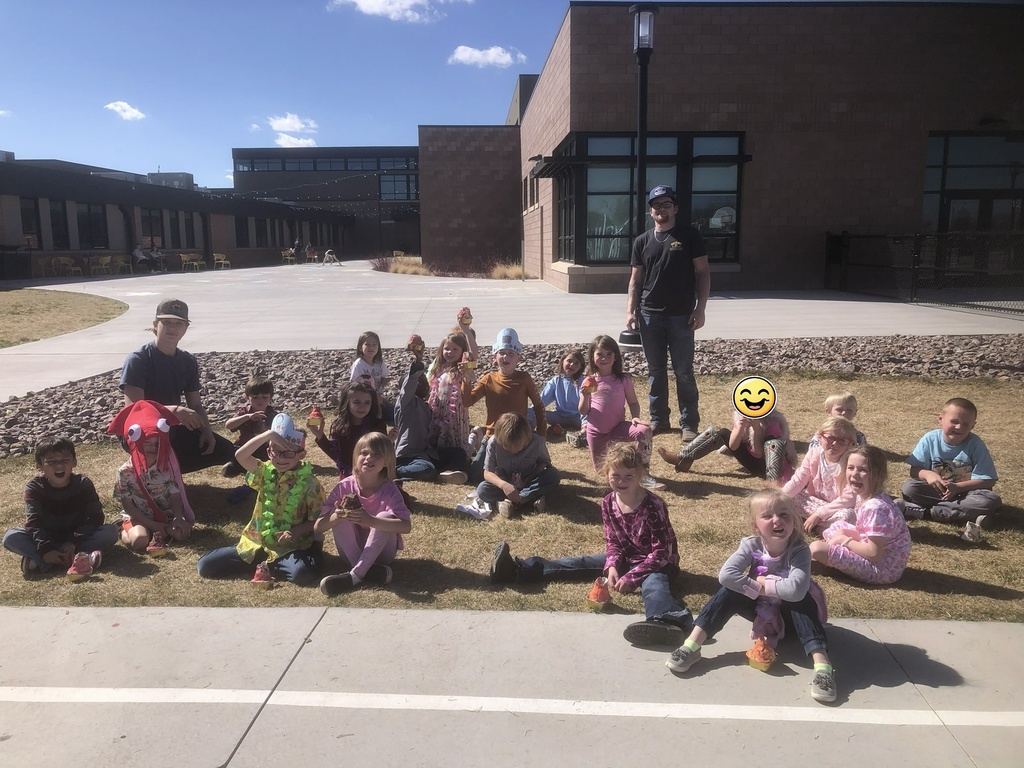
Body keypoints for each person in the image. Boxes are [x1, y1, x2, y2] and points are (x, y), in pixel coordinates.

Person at [490, 443, 692, 647]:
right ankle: (517, 570)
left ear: (640, 475)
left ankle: (665, 620)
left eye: (629, 476)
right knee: (581, 562)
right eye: (616, 476)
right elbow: (613, 541)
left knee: (654, 584)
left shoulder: (653, 506)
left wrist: (632, 577)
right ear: (606, 474)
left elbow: (661, 553)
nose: (621, 481)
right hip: (626, 557)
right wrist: (612, 565)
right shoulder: (607, 503)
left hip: (657, 564)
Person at [664, 489, 836, 704]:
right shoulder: (751, 544)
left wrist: (762, 584)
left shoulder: (799, 550)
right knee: (730, 590)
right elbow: (726, 576)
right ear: (756, 526)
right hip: (762, 610)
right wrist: (758, 587)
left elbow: (795, 590)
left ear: (793, 520)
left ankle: (823, 667)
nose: (777, 520)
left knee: (799, 599)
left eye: (784, 515)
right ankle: (691, 646)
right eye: (767, 516)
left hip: (794, 618)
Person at [197, 414, 325, 586]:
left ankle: (277, 563)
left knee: (302, 575)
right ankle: (265, 563)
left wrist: (295, 532)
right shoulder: (264, 472)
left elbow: (318, 520)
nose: (280, 458)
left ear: (301, 455)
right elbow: (240, 455)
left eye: (288, 453)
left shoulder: (310, 483)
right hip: (257, 542)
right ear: (268, 452)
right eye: (275, 451)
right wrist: (268, 435)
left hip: (290, 547)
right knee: (205, 566)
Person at [626, 185, 710, 440]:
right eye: (656, 205)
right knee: (655, 371)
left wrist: (700, 308)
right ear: (650, 211)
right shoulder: (642, 241)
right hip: (649, 315)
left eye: (666, 204)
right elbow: (635, 280)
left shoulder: (690, 235)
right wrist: (631, 311)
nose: (661, 209)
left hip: (682, 316)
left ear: (675, 208)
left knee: (683, 371)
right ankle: (658, 419)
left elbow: (703, 273)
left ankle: (689, 424)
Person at [119, 298, 236, 473]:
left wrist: (207, 431)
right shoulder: (138, 360)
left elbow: (195, 404)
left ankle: (168, 469)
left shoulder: (187, 361)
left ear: (185, 329)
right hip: (142, 433)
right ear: (155, 324)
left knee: (228, 451)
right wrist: (174, 410)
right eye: (166, 322)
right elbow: (135, 410)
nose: (172, 328)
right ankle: (156, 470)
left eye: (178, 323)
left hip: (171, 429)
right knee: (162, 460)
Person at [3, 437, 118, 579]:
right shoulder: (34, 488)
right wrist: (46, 549)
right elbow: (33, 522)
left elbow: (96, 517)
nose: (59, 466)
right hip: (47, 537)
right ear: (39, 465)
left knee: (110, 532)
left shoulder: (83, 484)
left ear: (74, 462)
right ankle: (76, 558)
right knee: (11, 537)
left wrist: (73, 541)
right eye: (51, 462)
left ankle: (39, 561)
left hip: (77, 537)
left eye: (65, 461)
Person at [316, 432, 411, 595]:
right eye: (364, 453)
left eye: (376, 454)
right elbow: (318, 527)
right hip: (351, 552)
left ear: (387, 461)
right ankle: (367, 570)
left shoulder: (389, 490)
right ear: (355, 457)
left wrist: (371, 520)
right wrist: (337, 516)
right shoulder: (344, 487)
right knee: (339, 513)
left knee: (384, 517)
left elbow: (405, 526)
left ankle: (355, 575)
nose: (369, 458)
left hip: (382, 554)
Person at [897, 397, 1001, 535]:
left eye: (965, 424)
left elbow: (988, 480)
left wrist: (957, 488)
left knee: (990, 501)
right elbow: (915, 471)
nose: (959, 427)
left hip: (967, 494)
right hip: (938, 492)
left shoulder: (975, 444)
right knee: (910, 488)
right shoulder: (930, 439)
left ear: (973, 426)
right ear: (940, 419)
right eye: (954, 421)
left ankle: (924, 512)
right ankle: (968, 515)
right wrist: (929, 475)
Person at [809, 445, 911, 585]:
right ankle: (834, 557)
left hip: (882, 569)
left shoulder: (875, 507)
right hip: (875, 551)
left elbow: (874, 554)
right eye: (850, 468)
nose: (854, 474)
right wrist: (843, 536)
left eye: (863, 470)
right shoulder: (865, 496)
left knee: (816, 548)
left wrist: (844, 540)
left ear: (878, 475)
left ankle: (832, 564)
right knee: (839, 526)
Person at [108, 400, 195, 557]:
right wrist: (152, 525)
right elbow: (128, 506)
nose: (152, 448)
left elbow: (174, 494)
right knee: (139, 541)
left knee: (182, 534)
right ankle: (123, 529)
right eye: (146, 442)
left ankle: (162, 532)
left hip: (165, 515)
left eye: (157, 443)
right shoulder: (125, 472)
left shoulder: (166, 466)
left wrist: (178, 517)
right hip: (139, 517)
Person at [462, 327, 546, 481]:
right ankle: (479, 438)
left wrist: (541, 436)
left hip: (519, 436)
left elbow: (539, 407)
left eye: (511, 354)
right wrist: (466, 381)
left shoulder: (524, 379)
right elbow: (467, 401)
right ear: (495, 356)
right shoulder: (488, 379)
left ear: (518, 358)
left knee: (527, 473)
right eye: (502, 353)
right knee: (474, 476)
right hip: (493, 436)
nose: (506, 357)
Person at [579, 335, 661, 490]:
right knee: (603, 471)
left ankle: (643, 473)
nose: (604, 358)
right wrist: (584, 395)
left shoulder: (623, 380)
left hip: (617, 428)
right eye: (600, 354)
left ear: (615, 356)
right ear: (592, 357)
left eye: (609, 354)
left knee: (645, 431)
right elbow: (583, 410)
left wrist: (635, 416)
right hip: (596, 433)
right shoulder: (590, 381)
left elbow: (633, 402)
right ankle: (627, 469)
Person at [658, 403, 797, 483]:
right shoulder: (741, 416)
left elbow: (761, 453)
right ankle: (684, 458)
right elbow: (733, 445)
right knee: (724, 432)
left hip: (768, 466)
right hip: (754, 459)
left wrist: (756, 429)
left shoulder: (773, 423)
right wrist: (740, 427)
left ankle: (773, 482)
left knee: (772, 443)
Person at [460, 412, 560, 519]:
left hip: (529, 481)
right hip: (504, 483)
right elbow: (487, 473)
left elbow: (543, 463)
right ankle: (530, 499)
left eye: (517, 446)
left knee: (552, 475)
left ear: (526, 439)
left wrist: (529, 478)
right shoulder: (493, 442)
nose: (512, 449)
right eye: (507, 445)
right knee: (482, 489)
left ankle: (516, 500)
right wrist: (504, 485)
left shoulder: (537, 442)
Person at [782, 416, 859, 535]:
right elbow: (798, 481)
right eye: (830, 438)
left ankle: (814, 527)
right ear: (820, 436)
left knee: (848, 516)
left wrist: (818, 515)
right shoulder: (814, 453)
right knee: (790, 497)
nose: (834, 443)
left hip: (838, 508)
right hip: (816, 501)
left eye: (842, 441)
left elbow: (849, 499)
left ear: (849, 444)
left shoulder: (850, 462)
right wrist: (778, 499)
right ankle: (815, 526)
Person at [394, 359, 468, 483]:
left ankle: (447, 474)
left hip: (427, 453)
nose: (423, 384)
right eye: (418, 382)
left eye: (423, 381)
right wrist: (416, 370)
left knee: (459, 453)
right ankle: (394, 471)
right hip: (409, 456)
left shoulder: (426, 405)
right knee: (426, 469)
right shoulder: (405, 404)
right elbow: (407, 389)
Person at [312, 380, 387, 478]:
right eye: (357, 402)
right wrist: (320, 436)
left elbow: (383, 455)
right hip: (348, 475)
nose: (362, 407)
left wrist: (389, 440)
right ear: (347, 403)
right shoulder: (339, 426)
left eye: (367, 403)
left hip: (373, 475)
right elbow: (337, 456)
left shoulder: (377, 425)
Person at [426, 328, 476, 455]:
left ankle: (474, 437)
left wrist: (466, 330)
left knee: (458, 445)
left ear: (462, 352)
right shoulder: (438, 369)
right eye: (447, 348)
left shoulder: (462, 370)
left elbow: (473, 353)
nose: (450, 352)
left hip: (456, 414)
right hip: (438, 411)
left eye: (455, 349)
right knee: (437, 441)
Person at [223, 375, 279, 478]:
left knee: (272, 456)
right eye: (255, 397)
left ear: (270, 398)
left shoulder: (273, 415)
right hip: (245, 447)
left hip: (264, 449)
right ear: (247, 398)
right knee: (234, 452)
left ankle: (248, 468)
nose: (260, 401)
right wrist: (247, 417)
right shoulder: (244, 412)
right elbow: (228, 425)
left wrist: (266, 433)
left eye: (264, 397)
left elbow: (278, 436)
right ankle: (236, 467)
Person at [531, 347, 587, 444]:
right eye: (569, 361)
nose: (572, 365)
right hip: (559, 416)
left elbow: (586, 406)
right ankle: (528, 431)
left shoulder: (583, 382)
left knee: (593, 419)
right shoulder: (556, 381)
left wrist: (585, 423)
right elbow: (541, 401)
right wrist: (531, 412)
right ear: (562, 361)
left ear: (581, 367)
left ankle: (582, 434)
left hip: (577, 417)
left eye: (576, 363)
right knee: (536, 414)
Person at [350, 330, 394, 423]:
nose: (371, 347)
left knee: (399, 413)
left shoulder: (379, 363)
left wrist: (385, 382)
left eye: (374, 344)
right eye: (367, 344)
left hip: (379, 400)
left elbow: (383, 376)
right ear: (360, 347)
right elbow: (353, 387)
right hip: (365, 403)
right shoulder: (359, 365)